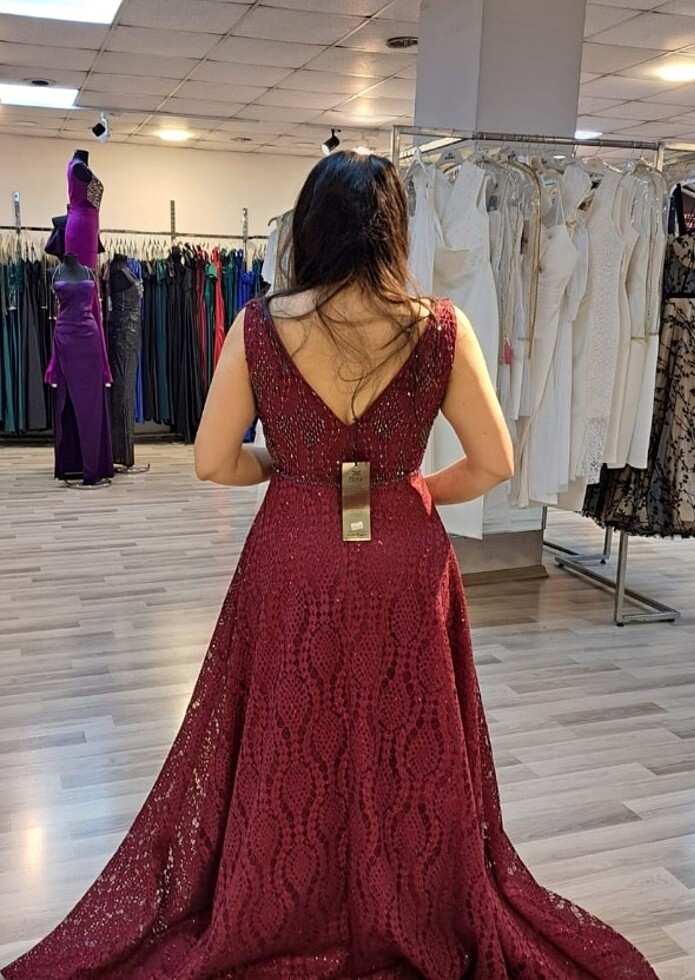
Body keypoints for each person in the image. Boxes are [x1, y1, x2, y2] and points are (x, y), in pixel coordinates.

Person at [2, 151, 658, 979]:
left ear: (308, 230)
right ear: (395, 230)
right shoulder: (441, 327)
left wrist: (284, 469)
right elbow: (496, 461)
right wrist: (417, 492)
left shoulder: (259, 327)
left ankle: (285, 892)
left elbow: (211, 461)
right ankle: (410, 891)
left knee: (289, 735)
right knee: (406, 735)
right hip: (405, 558)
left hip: (295, 548)